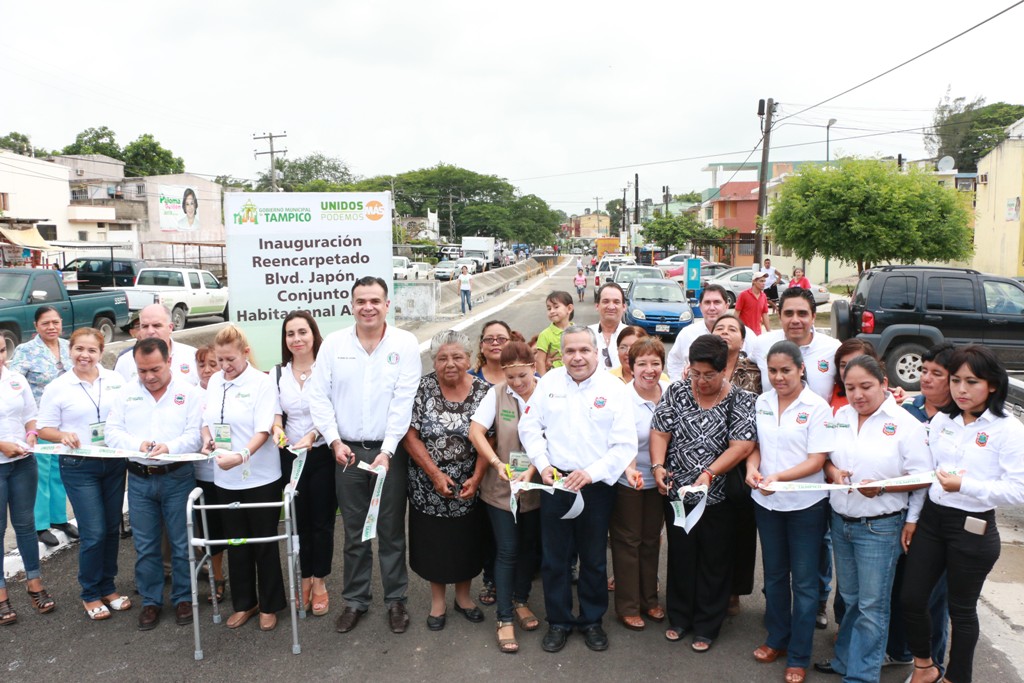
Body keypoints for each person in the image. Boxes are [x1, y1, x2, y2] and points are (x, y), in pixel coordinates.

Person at [901, 345, 1024, 683]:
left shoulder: (1007, 429)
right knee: (911, 598)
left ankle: (957, 677)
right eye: (956, 380)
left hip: (973, 526)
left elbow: (1018, 490)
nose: (961, 389)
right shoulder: (943, 420)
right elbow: (928, 473)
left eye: (972, 382)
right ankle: (924, 666)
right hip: (932, 519)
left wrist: (966, 486)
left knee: (962, 611)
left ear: (993, 385)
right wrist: (914, 517)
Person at [308, 276, 420, 635]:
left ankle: (396, 600)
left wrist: (388, 451)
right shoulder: (334, 345)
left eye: (375, 300)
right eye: (360, 301)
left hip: (390, 453)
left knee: (390, 530)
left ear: (387, 305)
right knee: (354, 532)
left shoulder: (404, 343)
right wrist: (334, 441)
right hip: (347, 454)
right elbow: (318, 395)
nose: (367, 307)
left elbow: (403, 403)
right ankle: (356, 600)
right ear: (351, 305)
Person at [519, 326, 637, 653]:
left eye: (584, 350)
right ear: (561, 354)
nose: (577, 357)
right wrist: (543, 465)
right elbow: (530, 427)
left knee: (594, 557)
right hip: (556, 483)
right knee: (555, 559)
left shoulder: (615, 389)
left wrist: (592, 473)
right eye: (570, 351)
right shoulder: (549, 384)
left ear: (596, 352)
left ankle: (591, 620)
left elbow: (624, 444)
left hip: (596, 486)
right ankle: (558, 621)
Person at [812, 355, 930, 681]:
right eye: (850, 388)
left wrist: (882, 488)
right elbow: (826, 459)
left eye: (866, 386)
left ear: (884, 384)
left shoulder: (906, 424)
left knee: (872, 606)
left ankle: (861, 675)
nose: (857, 395)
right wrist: (833, 471)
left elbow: (924, 476)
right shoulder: (840, 416)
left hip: (879, 526)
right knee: (850, 599)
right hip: (841, 521)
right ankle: (845, 660)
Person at [650, 335, 757, 649]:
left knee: (715, 557)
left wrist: (710, 472)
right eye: (695, 373)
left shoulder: (740, 398)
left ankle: (708, 625)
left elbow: (742, 445)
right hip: (678, 492)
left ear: (724, 370)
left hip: (717, 494)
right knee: (681, 554)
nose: (700, 381)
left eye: (708, 375)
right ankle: (680, 617)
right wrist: (658, 466)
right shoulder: (677, 392)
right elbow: (660, 431)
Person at [747, 340, 836, 683]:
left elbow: (817, 460)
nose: (779, 377)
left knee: (804, 581)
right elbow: (754, 448)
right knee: (773, 576)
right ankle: (777, 639)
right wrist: (751, 471)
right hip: (767, 503)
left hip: (805, 506)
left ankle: (799, 654)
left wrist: (778, 477)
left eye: (786, 370)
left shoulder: (816, 407)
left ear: (801, 369)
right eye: (773, 371)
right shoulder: (762, 402)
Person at [105, 338, 204, 631]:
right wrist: (139, 444)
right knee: (145, 545)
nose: (148, 376)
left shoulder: (189, 393)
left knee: (181, 541)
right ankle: (150, 601)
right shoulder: (125, 394)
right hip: (138, 478)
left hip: (177, 476)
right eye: (142, 370)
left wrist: (168, 446)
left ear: (169, 362)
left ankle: (184, 597)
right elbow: (112, 432)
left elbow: (195, 435)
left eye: (155, 369)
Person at [37, 328, 129, 621]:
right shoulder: (59, 386)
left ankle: (108, 586)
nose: (84, 355)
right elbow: (43, 429)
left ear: (101, 353)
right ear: (70, 351)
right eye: (79, 349)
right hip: (79, 466)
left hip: (114, 462)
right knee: (94, 531)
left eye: (91, 350)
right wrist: (62, 435)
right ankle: (90, 592)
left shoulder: (116, 380)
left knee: (112, 527)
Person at [402, 331, 490, 631]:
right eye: (442, 358)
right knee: (434, 543)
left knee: (465, 540)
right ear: (434, 361)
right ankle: (438, 602)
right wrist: (435, 474)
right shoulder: (422, 388)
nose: (449, 363)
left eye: (457, 356)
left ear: (469, 358)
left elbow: (489, 439)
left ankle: (463, 598)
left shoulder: (483, 390)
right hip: (427, 483)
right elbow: (409, 435)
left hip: (469, 483)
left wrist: (477, 478)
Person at [200, 325, 284, 632]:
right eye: (219, 360)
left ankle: (271, 604)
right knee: (236, 542)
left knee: (263, 542)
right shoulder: (213, 383)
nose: (224, 367)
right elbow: (206, 420)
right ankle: (245, 602)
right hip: (225, 478)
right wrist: (208, 439)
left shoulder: (262, 383)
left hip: (260, 477)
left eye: (230, 360)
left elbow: (263, 430)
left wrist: (241, 456)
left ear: (245, 353)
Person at [468, 341, 543, 653]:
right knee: (508, 550)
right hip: (502, 489)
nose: (516, 383)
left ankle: (521, 600)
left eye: (522, 375)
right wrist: (497, 463)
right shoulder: (496, 393)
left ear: (533, 368)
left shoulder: (547, 393)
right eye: (510, 376)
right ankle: (503, 618)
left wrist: (537, 468)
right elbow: (476, 432)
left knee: (529, 549)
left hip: (537, 487)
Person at [886, 343, 954, 674]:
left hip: (938, 519)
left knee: (933, 599)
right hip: (902, 514)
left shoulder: (958, 420)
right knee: (903, 590)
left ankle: (932, 664)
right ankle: (899, 650)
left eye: (936, 374)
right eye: (924, 370)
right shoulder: (909, 410)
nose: (925, 378)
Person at [271, 311, 336, 618]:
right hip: (289, 458)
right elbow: (275, 414)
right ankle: (303, 578)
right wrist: (277, 429)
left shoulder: (327, 370)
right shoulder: (277, 373)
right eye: (290, 334)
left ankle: (320, 581)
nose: (296, 339)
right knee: (298, 521)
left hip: (321, 453)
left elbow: (334, 412)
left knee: (322, 521)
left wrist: (313, 435)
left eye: (302, 332)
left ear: (314, 335)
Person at [609, 337, 670, 632]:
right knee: (627, 541)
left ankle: (650, 600)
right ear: (630, 366)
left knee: (651, 540)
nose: (649, 370)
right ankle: (628, 606)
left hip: (660, 480)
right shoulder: (620, 397)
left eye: (655, 363)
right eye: (642, 363)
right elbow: (614, 440)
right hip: (628, 478)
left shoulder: (671, 392)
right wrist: (628, 469)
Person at [9, 306, 75, 548]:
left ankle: (59, 519)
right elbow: (14, 384)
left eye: (55, 322)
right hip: (39, 421)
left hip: (65, 422)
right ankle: (40, 524)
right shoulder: (26, 351)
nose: (51, 327)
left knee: (60, 471)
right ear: (36, 325)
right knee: (42, 473)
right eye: (46, 323)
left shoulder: (69, 347)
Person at [0, 342, 55, 625]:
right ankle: (1, 594)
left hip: (23, 463)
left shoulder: (15, 379)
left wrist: (32, 433)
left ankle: (34, 582)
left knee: (25, 525)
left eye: (0, 350)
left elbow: (29, 415)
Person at [711, 313, 761, 616]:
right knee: (713, 528)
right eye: (720, 328)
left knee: (741, 527)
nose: (726, 333)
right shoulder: (698, 366)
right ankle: (711, 585)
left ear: (743, 339)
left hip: (743, 457)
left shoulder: (753, 370)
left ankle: (734, 590)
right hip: (703, 457)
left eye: (733, 329)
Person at [192, 344, 226, 603]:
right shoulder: (189, 395)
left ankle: (242, 577)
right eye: (202, 365)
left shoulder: (227, 390)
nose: (207, 370)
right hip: (203, 475)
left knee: (234, 531)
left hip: (233, 474)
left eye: (213, 364)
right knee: (210, 533)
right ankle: (218, 579)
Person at [666, 284, 747, 381]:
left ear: (726, 306)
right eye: (707, 302)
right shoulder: (687, 333)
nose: (712, 308)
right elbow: (674, 361)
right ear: (700, 306)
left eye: (717, 302)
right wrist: (679, 384)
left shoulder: (744, 334)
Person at [115, 304, 199, 386]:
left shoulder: (193, 357)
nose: (150, 331)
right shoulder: (125, 361)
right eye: (145, 326)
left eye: (156, 326)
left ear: (170, 327)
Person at [588, 284, 627, 371]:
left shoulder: (633, 336)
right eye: (606, 301)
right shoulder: (585, 334)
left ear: (624, 307)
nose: (611, 307)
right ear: (597, 306)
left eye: (616, 302)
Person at [534, 291, 574, 376]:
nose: (552, 311)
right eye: (549, 308)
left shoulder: (578, 331)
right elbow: (540, 361)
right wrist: (544, 382)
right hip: (556, 377)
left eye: (556, 307)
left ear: (569, 308)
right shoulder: (545, 335)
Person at [470, 320, 517, 386]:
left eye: (501, 339)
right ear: (481, 346)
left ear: (511, 344)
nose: (495, 343)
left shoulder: (527, 375)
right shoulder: (468, 379)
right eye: (489, 339)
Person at [735, 270, 771, 335]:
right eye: (761, 281)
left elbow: (764, 314)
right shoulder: (744, 295)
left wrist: (769, 332)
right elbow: (736, 313)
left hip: (757, 333)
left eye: (764, 281)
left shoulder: (763, 296)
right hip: (744, 332)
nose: (763, 283)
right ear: (754, 281)